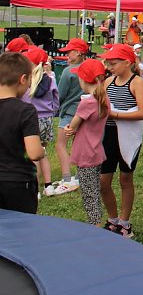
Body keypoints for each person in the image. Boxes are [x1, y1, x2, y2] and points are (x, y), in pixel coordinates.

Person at [100, 43, 143, 238]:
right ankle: (112, 218)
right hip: (108, 135)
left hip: (128, 136)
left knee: (125, 178)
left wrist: (115, 115)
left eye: (113, 63)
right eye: (108, 63)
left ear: (127, 63)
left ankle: (124, 221)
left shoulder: (137, 82)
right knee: (104, 181)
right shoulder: (108, 81)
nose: (110, 67)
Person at [63, 59, 109, 226]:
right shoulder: (103, 99)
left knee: (89, 194)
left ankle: (95, 226)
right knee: (94, 191)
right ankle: (97, 221)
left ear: (83, 80)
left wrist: (69, 128)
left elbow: (73, 125)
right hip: (96, 151)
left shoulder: (87, 102)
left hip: (85, 154)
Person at [0, 52, 44, 214]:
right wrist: (42, 151)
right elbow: (34, 153)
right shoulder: (25, 110)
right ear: (23, 79)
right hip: (19, 182)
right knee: (21, 232)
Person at [20, 48, 59, 198]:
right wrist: (51, 113)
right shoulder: (50, 79)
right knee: (42, 153)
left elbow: (23, 101)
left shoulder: (27, 81)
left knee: (33, 155)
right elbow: (56, 100)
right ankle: (48, 186)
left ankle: (35, 189)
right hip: (47, 120)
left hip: (32, 119)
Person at [53, 38, 90, 195]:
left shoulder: (69, 72)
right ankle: (80, 177)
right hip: (86, 112)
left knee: (60, 144)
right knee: (79, 146)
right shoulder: (90, 68)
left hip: (69, 113)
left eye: (70, 52)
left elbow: (60, 94)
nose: (67, 55)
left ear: (79, 53)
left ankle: (67, 179)